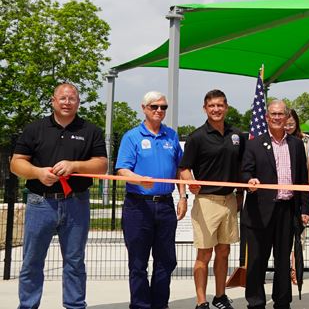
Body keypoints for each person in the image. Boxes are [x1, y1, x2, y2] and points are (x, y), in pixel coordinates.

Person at [11, 83, 108, 309]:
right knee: (32, 262)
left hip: (77, 203)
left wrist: (74, 165)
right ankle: (28, 306)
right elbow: (16, 163)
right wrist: (38, 173)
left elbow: (101, 165)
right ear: (53, 101)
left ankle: (75, 306)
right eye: (62, 98)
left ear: (78, 102)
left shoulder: (90, 130)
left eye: (72, 98)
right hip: (39, 203)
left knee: (74, 262)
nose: (67, 102)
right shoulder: (35, 129)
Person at [116, 91, 187, 309]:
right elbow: (122, 170)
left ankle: (160, 304)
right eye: (154, 106)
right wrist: (138, 180)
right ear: (144, 108)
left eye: (163, 107)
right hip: (138, 205)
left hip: (165, 204)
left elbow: (179, 169)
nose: (159, 111)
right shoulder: (132, 136)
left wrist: (183, 196)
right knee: (138, 262)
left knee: (166, 260)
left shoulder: (172, 136)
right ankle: (140, 305)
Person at [241, 100, 309, 309]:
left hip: (286, 210)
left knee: (282, 261)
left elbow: (302, 180)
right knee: (256, 262)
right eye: (274, 114)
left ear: (287, 116)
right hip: (259, 212)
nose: (278, 118)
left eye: (281, 114)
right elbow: (245, 171)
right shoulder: (253, 143)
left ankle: (282, 302)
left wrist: (305, 208)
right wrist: (249, 181)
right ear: (266, 117)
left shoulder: (297, 145)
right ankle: (255, 303)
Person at [179, 90, 245, 309]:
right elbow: (184, 168)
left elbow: (243, 167)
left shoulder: (237, 135)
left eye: (220, 105)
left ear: (226, 107)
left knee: (224, 252)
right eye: (211, 106)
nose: (216, 109)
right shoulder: (196, 137)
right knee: (204, 253)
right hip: (207, 201)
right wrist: (191, 182)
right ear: (205, 108)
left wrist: (243, 192)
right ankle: (201, 302)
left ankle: (220, 296)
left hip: (230, 200)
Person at [285, 108, 309, 285]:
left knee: (300, 235)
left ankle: (295, 268)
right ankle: (284, 268)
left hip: (300, 193)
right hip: (281, 194)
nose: (288, 126)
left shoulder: (306, 141)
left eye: (292, 123)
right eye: (286, 123)